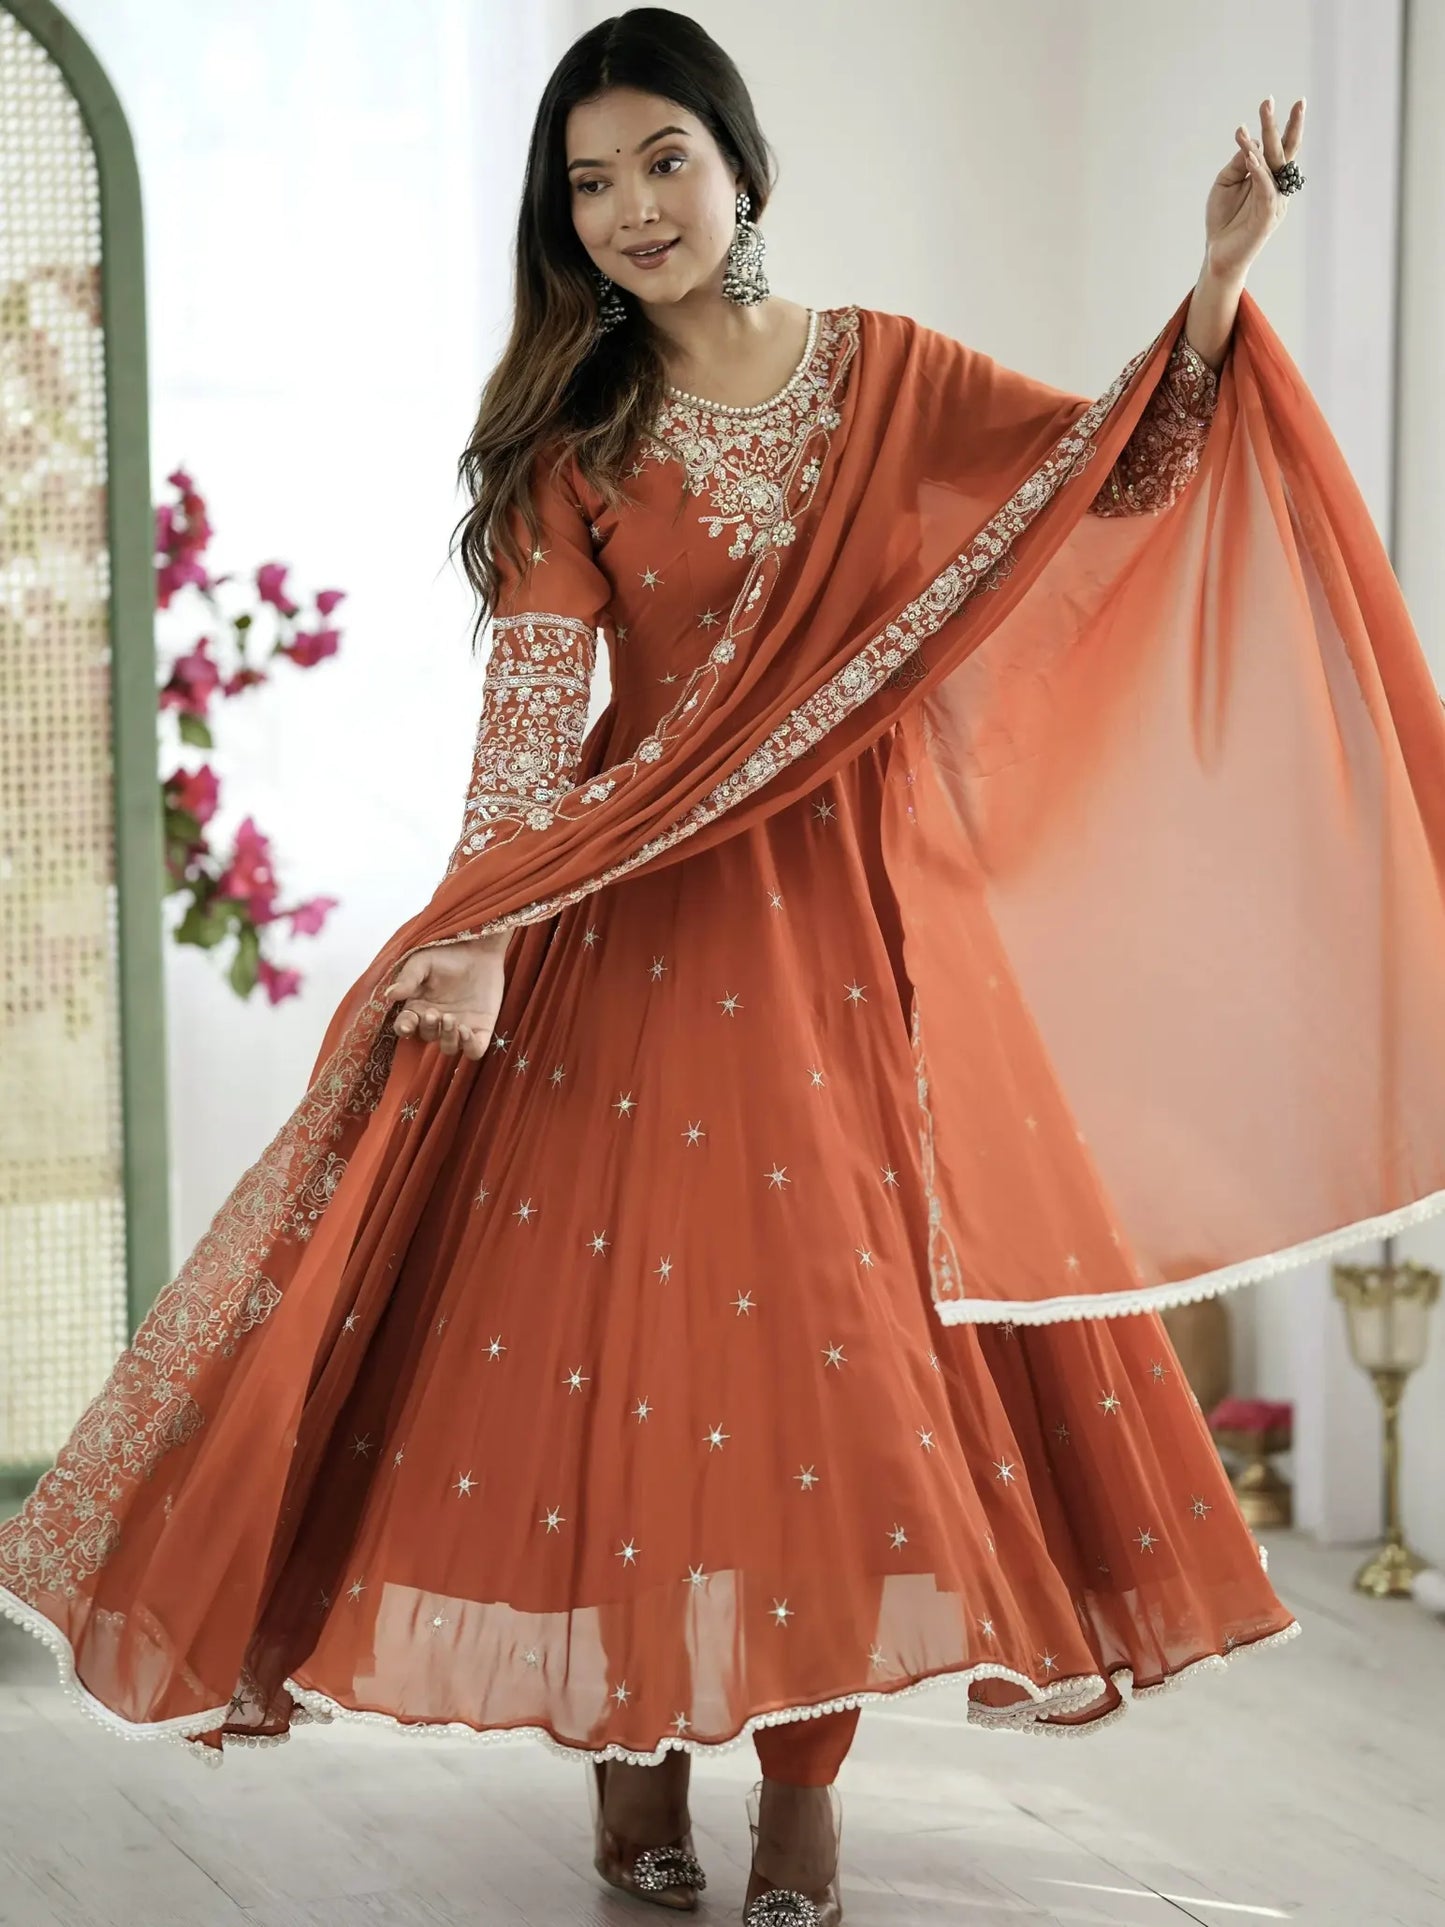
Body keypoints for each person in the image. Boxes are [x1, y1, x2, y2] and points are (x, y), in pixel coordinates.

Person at [15, 10, 1445, 1927]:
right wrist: (483, 932)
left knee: (828, 1373)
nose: (629, 212)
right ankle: (633, 1758)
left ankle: (801, 1801)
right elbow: (535, 716)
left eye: (660, 163)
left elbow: (1097, 486)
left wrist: (1210, 286)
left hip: (847, 945)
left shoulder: (890, 377)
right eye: (588, 184)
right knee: (620, 1359)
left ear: (741, 166)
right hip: (629, 935)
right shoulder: (570, 438)